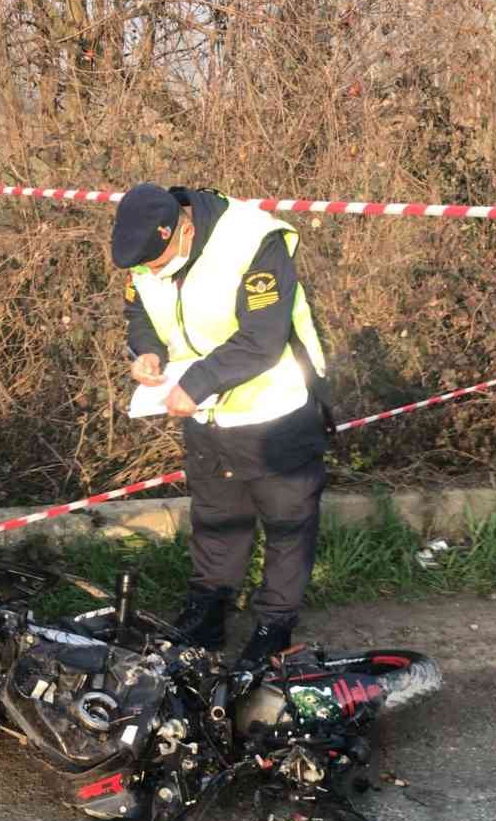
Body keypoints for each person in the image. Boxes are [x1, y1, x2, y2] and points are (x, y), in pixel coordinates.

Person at [112, 183, 333, 668]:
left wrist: (197, 382)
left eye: (158, 261)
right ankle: (208, 613)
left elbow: (264, 337)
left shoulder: (253, 239)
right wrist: (146, 350)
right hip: (207, 413)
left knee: (287, 524)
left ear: (185, 228)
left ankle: (274, 625)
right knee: (215, 518)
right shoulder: (145, 250)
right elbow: (139, 311)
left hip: (276, 408)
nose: (150, 271)